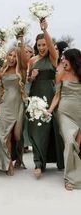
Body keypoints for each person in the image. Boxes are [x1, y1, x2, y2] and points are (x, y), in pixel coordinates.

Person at [27, 19, 64, 178]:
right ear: (36, 46)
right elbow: (28, 79)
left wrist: (44, 29)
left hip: (50, 95)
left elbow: (50, 46)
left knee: (51, 128)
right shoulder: (32, 60)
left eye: (44, 44)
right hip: (35, 95)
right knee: (36, 128)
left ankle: (56, 160)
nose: (42, 48)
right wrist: (31, 77)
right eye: (39, 45)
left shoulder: (53, 58)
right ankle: (38, 163)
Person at [0, 39, 27, 176]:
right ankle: (8, 163)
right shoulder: (4, 70)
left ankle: (18, 157)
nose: (11, 58)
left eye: (14, 56)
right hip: (5, 106)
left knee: (17, 136)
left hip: (18, 106)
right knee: (6, 135)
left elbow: (24, 59)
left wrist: (21, 40)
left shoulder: (22, 70)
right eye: (10, 55)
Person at [48, 48, 81, 190]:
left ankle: (76, 173)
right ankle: (70, 179)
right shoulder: (61, 74)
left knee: (77, 146)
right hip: (64, 113)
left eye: (64, 58)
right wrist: (49, 110)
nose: (62, 61)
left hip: (79, 113)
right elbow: (57, 95)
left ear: (73, 59)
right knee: (69, 142)